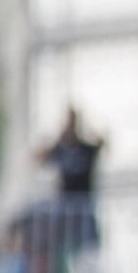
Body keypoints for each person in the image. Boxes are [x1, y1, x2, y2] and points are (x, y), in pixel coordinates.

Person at [38, 105, 106, 258]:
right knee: (60, 245)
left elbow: (103, 143)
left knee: (90, 250)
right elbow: (38, 157)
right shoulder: (60, 149)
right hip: (65, 207)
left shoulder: (86, 148)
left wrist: (87, 126)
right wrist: (58, 137)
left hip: (84, 206)